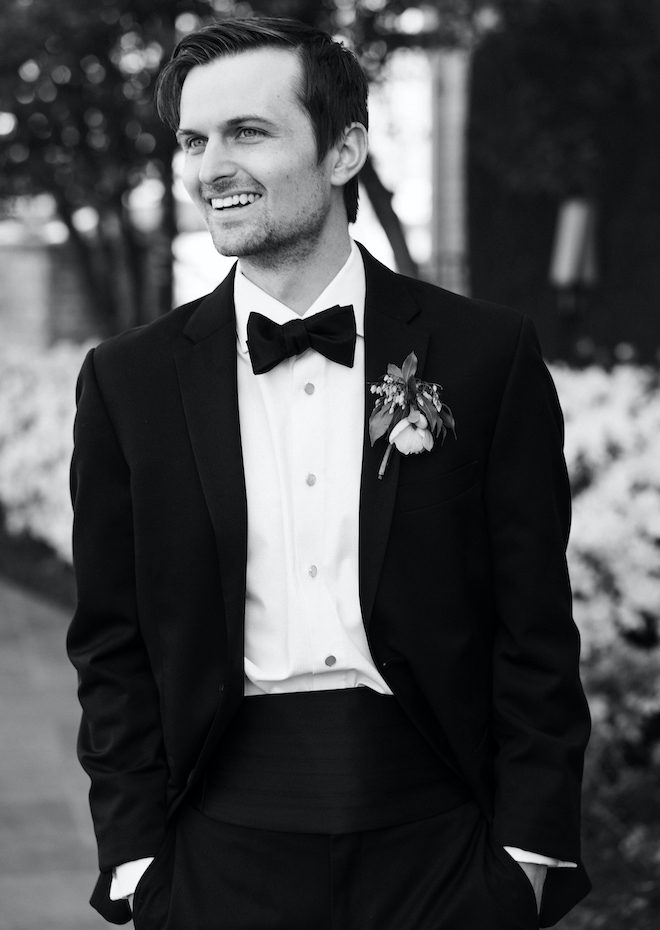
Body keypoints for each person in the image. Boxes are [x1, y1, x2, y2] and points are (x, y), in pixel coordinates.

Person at [67, 16, 591, 930]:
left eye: (249, 132)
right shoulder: (127, 380)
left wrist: (528, 858)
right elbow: (111, 641)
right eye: (195, 139)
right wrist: (135, 861)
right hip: (218, 841)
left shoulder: (484, 355)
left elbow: (536, 625)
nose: (209, 166)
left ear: (344, 150)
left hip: (441, 838)